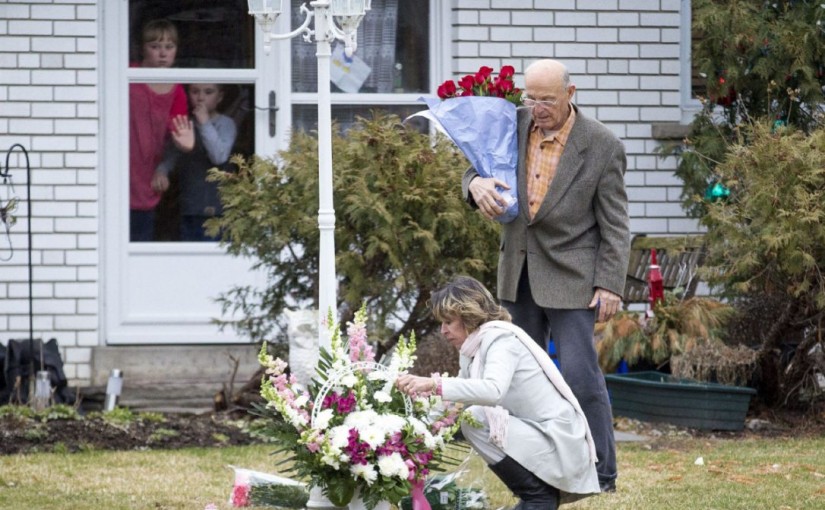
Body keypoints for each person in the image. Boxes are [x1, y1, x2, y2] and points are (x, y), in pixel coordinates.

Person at [461, 59, 631, 492]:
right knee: (518, 378)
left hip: (573, 275)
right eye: (530, 97)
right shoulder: (511, 124)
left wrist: (610, 282)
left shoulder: (602, 145)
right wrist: (474, 185)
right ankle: (535, 465)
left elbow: (615, 225)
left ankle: (602, 473)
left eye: (546, 100)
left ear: (570, 94)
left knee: (579, 375)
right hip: (516, 270)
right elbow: (476, 164)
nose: (536, 107)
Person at [396, 276, 600, 509]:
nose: (443, 331)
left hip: (555, 437)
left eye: (448, 322)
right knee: (473, 417)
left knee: (477, 418)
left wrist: (433, 385)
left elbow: (493, 391)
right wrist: (410, 425)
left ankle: (538, 496)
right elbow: (455, 400)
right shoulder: (472, 348)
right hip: (536, 432)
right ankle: (535, 496)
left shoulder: (501, 340)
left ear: (469, 317)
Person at [129, 19, 189, 242]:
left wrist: (163, 169)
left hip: (148, 177)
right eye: (155, 47)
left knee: (141, 237)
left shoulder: (177, 91)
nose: (162, 53)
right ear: (142, 49)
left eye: (169, 47)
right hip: (122, 168)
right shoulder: (128, 75)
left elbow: (177, 137)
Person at [155, 83, 237, 241]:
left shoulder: (226, 124)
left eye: (208, 92)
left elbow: (219, 156)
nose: (201, 97)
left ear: (220, 97)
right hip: (190, 205)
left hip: (219, 209)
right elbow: (171, 155)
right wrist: (161, 171)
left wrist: (205, 123)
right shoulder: (185, 124)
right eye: (195, 92)